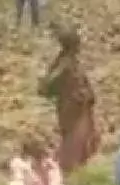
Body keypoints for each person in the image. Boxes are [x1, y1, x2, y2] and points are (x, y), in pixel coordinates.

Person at [38, 26, 99, 174]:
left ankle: (76, 170)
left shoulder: (69, 61)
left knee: (82, 140)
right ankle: (70, 170)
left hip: (78, 107)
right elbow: (46, 86)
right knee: (74, 141)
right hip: (72, 109)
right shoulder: (64, 64)